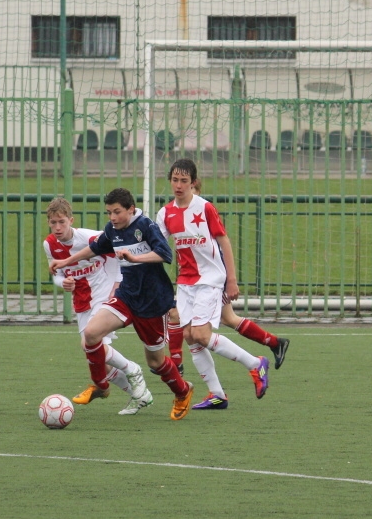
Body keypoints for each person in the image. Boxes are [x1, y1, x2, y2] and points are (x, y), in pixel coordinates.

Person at [49, 188, 194, 420]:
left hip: (152, 302)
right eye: (109, 213)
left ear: (130, 209)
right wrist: (66, 260)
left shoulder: (146, 226)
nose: (113, 218)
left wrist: (136, 258)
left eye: (117, 212)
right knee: (91, 334)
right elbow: (95, 248)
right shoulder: (112, 230)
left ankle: (183, 391)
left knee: (156, 363)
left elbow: (165, 254)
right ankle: (101, 385)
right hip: (127, 296)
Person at [155, 158, 270, 411]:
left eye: (184, 181)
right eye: (175, 180)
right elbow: (159, 247)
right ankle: (217, 395)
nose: (179, 185)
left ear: (193, 182)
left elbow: (224, 241)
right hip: (185, 281)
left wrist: (231, 279)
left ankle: (255, 363)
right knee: (189, 336)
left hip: (210, 279)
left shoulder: (205, 208)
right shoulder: (165, 213)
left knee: (201, 335)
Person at [43, 196, 146, 405]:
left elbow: (119, 252)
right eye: (53, 222)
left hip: (104, 295)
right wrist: (62, 283)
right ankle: (137, 394)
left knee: (92, 343)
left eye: (61, 221)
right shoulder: (50, 244)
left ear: (71, 221)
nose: (57, 227)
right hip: (82, 301)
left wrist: (117, 286)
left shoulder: (90, 238)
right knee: (97, 356)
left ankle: (132, 369)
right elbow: (56, 272)